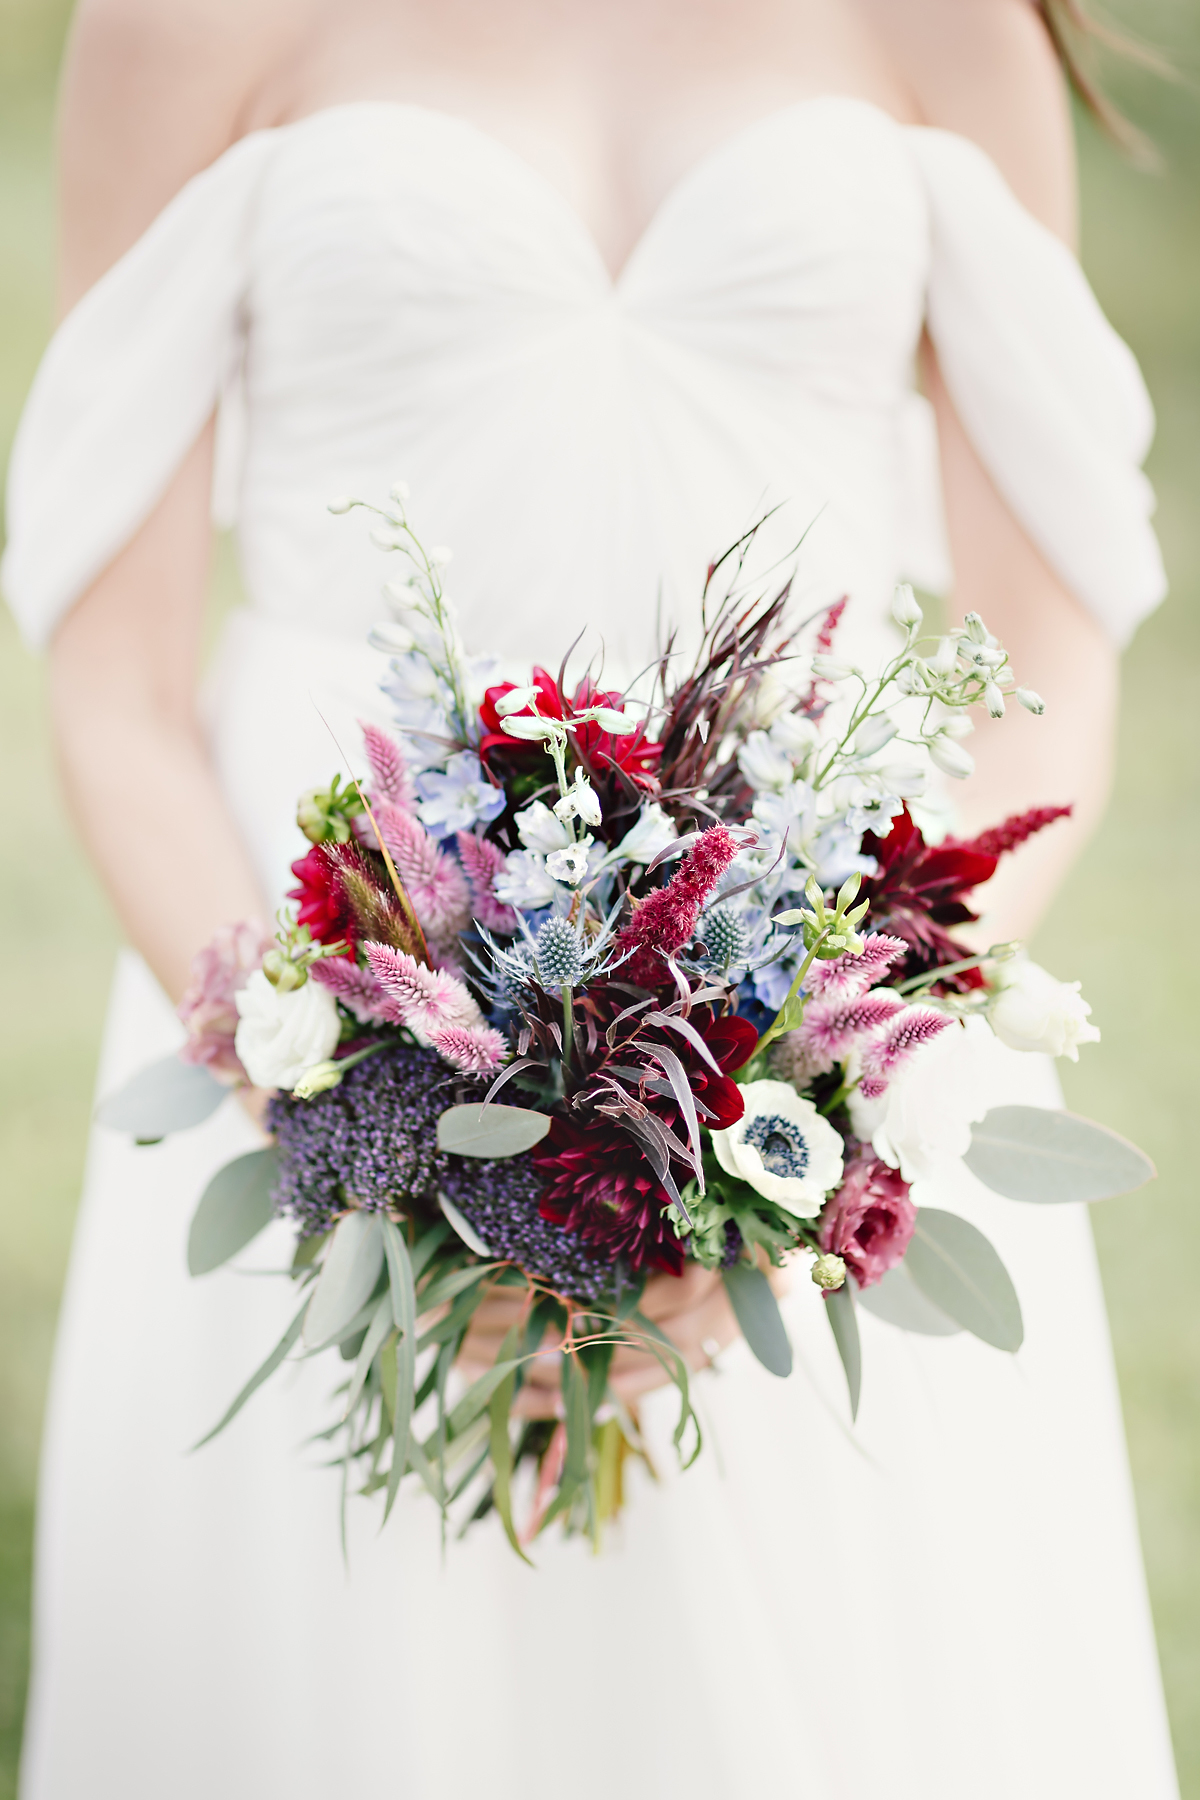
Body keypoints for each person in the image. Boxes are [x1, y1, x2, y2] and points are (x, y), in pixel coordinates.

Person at [2, 0, 1179, 1794]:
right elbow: (119, 686)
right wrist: (356, 1120)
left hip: (814, 986)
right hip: (324, 972)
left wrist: (821, 1105)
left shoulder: (943, 23)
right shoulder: (185, 24)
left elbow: (1049, 646)